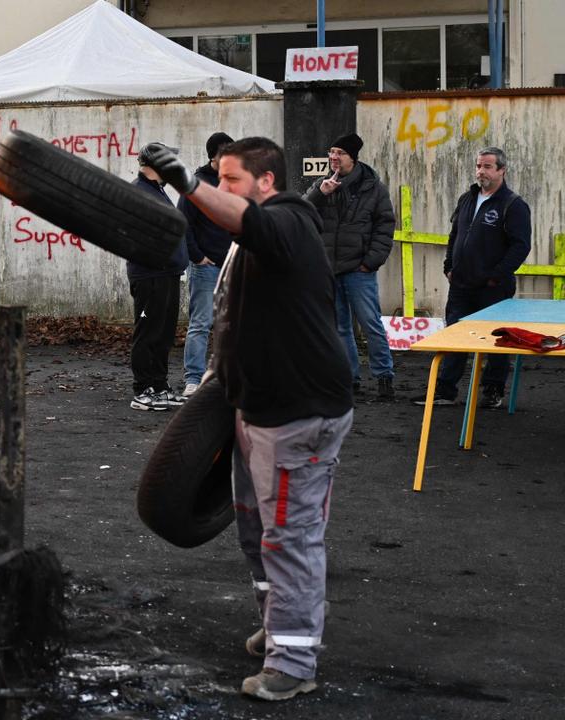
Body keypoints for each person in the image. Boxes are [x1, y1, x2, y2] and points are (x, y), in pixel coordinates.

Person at [141, 138, 353, 702]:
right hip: (252, 405)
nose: (220, 189)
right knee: (256, 531)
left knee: (289, 536)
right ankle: (281, 624)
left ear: (265, 182)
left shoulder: (289, 222)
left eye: (230, 179)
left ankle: (295, 662)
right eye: (216, 179)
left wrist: (188, 184)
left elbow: (248, 219)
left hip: (298, 412)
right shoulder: (246, 239)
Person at [410, 147, 532, 409]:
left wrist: (495, 276)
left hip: (493, 288)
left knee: (496, 340)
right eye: (478, 166)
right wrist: (449, 267)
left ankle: (493, 391)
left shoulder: (513, 205)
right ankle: (445, 391)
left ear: (502, 170)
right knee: (454, 336)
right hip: (461, 285)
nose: (481, 171)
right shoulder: (467, 198)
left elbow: (521, 246)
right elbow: (455, 234)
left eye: (487, 166)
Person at [304, 133, 397, 401]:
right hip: (329, 269)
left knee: (370, 324)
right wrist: (320, 194)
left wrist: (370, 262)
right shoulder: (322, 184)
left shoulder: (373, 188)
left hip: (359, 270)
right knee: (339, 328)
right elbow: (301, 212)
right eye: (331, 152)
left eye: (340, 153)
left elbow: (385, 227)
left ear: (353, 158)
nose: (333, 157)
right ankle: (349, 379)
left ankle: (384, 377)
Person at [128, 154, 189, 411]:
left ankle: (159, 386)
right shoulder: (138, 192)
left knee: (163, 334)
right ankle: (143, 390)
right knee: (148, 332)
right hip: (149, 276)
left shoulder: (157, 190)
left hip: (167, 274)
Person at [180, 132, 235, 397]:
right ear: (213, 156)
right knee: (201, 323)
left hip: (232, 266)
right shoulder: (196, 184)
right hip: (206, 267)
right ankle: (193, 378)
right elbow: (183, 223)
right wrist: (197, 256)